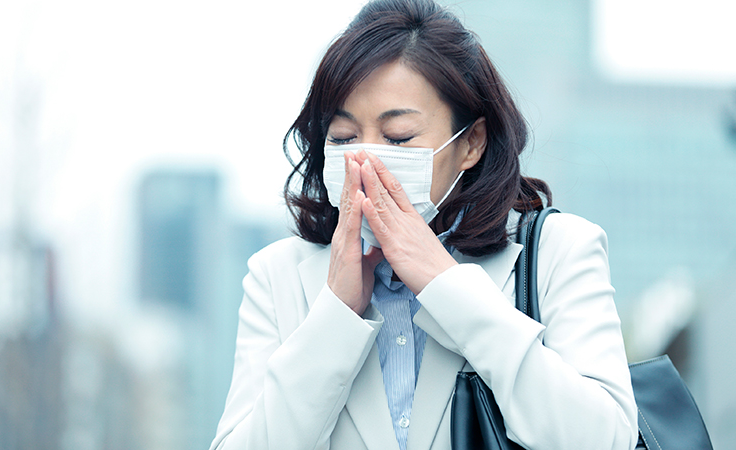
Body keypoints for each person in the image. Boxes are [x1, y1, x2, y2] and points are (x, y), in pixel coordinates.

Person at [209, 0, 638, 449]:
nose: (366, 159)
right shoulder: (276, 278)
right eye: (342, 138)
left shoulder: (558, 252)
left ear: (471, 142)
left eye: (398, 138)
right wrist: (335, 315)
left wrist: (446, 287)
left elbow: (605, 439)